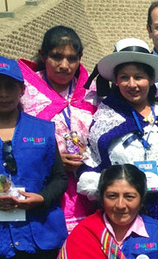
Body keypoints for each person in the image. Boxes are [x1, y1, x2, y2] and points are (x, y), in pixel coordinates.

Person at [77, 38, 158, 235]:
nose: (132, 84)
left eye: (139, 77)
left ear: (151, 79)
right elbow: (93, 160)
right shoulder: (105, 119)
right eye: (124, 77)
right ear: (116, 81)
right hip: (123, 212)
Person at [0, 56, 67, 258]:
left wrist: (41, 198)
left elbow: (60, 178)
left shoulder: (43, 130)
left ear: (22, 90)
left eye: (10, 86)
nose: (3, 94)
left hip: (40, 237)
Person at [18, 25, 97, 233]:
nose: (65, 65)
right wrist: (53, 161)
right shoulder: (23, 92)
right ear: (43, 55)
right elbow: (15, 140)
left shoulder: (91, 91)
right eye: (57, 57)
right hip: (42, 185)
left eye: (72, 58)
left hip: (86, 185)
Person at [60, 164, 158, 259]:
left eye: (129, 197)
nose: (120, 205)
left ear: (142, 200)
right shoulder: (83, 234)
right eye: (112, 196)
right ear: (101, 198)